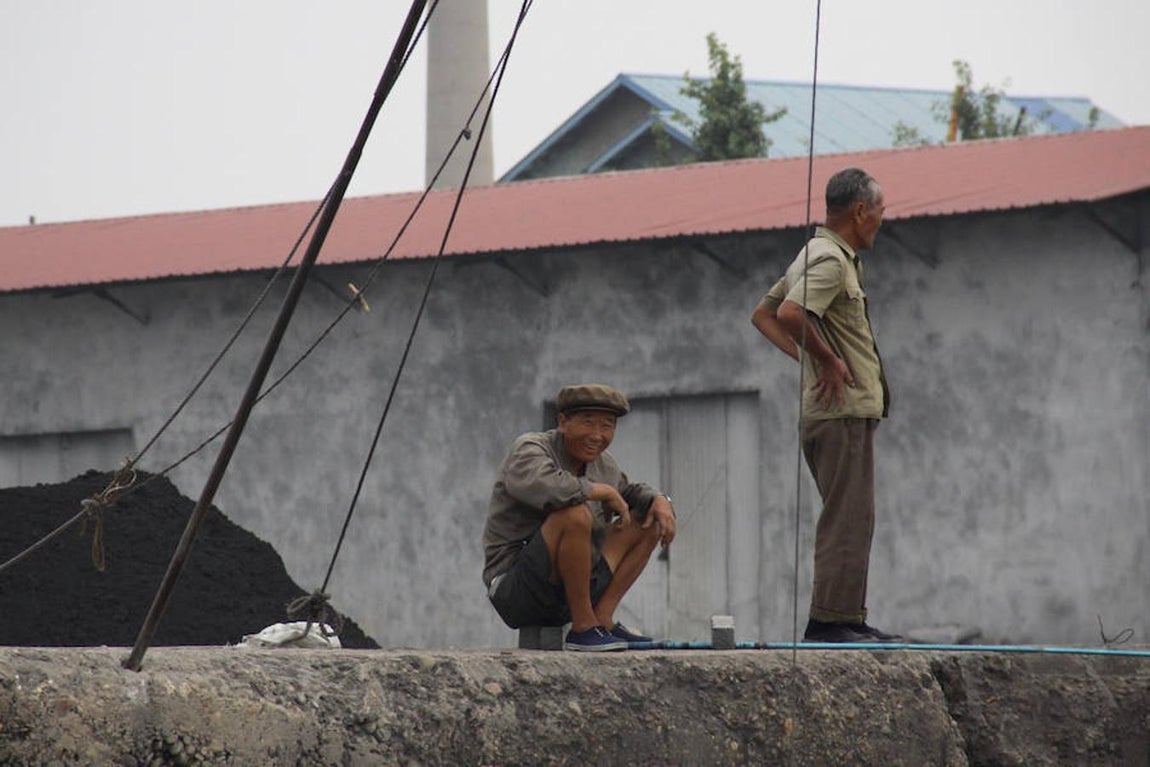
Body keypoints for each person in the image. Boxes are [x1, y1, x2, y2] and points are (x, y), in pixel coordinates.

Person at [751, 167, 901, 644]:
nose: (881, 219)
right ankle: (829, 623)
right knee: (848, 517)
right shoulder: (831, 260)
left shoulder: (815, 253)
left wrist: (810, 362)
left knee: (855, 516)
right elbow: (791, 315)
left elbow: (765, 314)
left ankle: (847, 618)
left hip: (839, 412)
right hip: (841, 413)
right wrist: (828, 362)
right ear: (860, 211)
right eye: (879, 211)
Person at [482, 384, 676, 651]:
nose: (597, 435)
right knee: (573, 514)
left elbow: (628, 492)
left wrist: (660, 499)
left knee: (647, 518)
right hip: (518, 589)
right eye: (588, 423)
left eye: (607, 426)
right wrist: (599, 491)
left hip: (571, 590)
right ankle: (583, 627)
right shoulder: (530, 449)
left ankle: (601, 620)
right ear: (563, 422)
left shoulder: (603, 464)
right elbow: (548, 487)